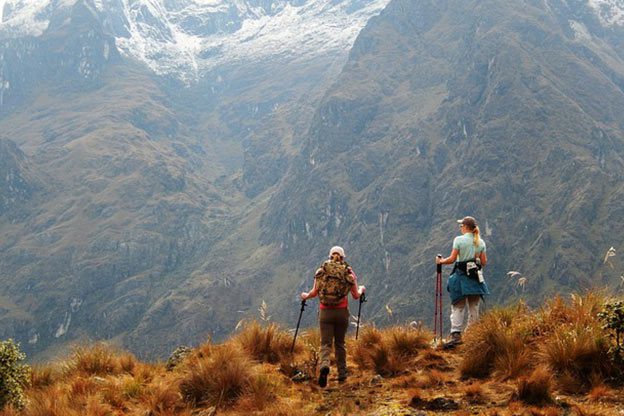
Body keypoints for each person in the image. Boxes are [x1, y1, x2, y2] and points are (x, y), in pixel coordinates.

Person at [301, 246, 365, 387]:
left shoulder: (322, 271)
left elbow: (313, 292)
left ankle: (324, 366)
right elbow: (355, 295)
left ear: (330, 256)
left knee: (325, 344)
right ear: (342, 257)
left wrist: (305, 296)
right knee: (340, 343)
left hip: (325, 313)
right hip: (341, 313)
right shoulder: (348, 272)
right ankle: (342, 374)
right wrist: (362, 289)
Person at [436, 216, 489, 347]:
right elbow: (483, 262)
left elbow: (452, 259)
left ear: (465, 227)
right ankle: (472, 335)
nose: (460, 227)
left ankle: (456, 335)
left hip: (460, 277)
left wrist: (440, 261)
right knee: (474, 307)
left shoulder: (459, 240)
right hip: (475, 278)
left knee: (458, 306)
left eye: (461, 225)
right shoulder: (480, 242)